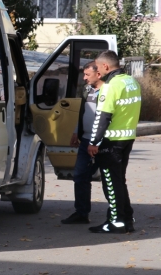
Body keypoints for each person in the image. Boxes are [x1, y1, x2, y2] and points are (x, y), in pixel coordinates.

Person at [87, 50, 141, 234]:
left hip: (112, 141)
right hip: (127, 138)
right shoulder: (131, 81)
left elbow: (102, 117)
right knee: (119, 181)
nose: (97, 70)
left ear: (106, 66)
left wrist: (93, 142)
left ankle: (116, 221)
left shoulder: (111, 86)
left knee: (110, 182)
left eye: (98, 67)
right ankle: (127, 219)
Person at [61, 61, 104, 225]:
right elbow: (83, 112)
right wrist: (76, 131)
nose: (84, 78)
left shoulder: (107, 91)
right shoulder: (87, 90)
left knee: (109, 178)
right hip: (85, 140)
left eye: (87, 75)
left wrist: (97, 140)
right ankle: (82, 213)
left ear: (98, 74)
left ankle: (117, 214)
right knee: (80, 176)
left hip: (102, 141)